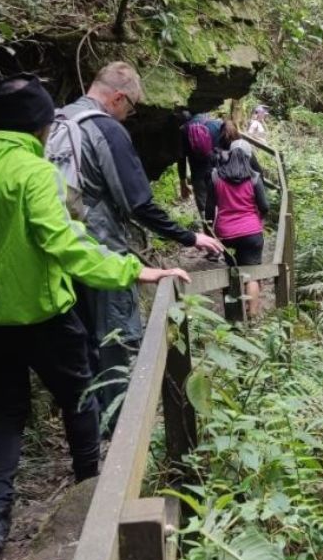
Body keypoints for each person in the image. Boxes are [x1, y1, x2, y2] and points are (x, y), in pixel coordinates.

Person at [0, 74, 191, 556]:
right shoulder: (33, 172)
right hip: (41, 314)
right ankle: (89, 493)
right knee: (80, 399)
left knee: (5, 411)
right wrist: (133, 271)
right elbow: (66, 244)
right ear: (40, 127)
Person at [57, 62, 222, 428]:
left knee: (79, 340)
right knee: (115, 338)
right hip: (102, 251)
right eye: (130, 108)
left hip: (55, 248)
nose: (130, 116)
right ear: (117, 97)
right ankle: (119, 434)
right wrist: (190, 236)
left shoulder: (56, 121)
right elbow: (138, 204)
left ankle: (85, 428)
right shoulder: (105, 130)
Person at [207, 121, 269, 317]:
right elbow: (265, 206)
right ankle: (253, 316)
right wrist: (261, 220)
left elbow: (210, 208)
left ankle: (234, 318)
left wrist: (209, 230)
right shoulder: (254, 178)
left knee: (232, 272)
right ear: (249, 156)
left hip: (226, 234)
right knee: (251, 274)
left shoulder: (216, 176)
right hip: (251, 231)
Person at [177, 110, 223, 224]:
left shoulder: (184, 130)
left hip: (199, 176)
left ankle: (210, 237)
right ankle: (227, 234)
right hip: (219, 173)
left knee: (205, 211)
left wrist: (183, 182)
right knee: (223, 206)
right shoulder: (216, 125)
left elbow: (181, 158)